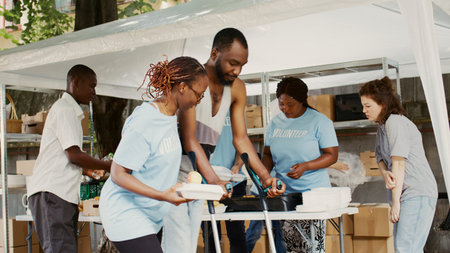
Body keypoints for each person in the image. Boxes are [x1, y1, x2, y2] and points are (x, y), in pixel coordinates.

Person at [162, 27, 285, 253]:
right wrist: (214, 180)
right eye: (233, 63)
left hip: (198, 171)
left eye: (242, 65)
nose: (237, 71)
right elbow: (189, 139)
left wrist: (266, 177)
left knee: (188, 240)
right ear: (214, 53)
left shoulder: (237, 88)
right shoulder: (192, 80)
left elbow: (241, 139)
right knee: (176, 242)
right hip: (173, 170)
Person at [99, 56, 208, 253]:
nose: (199, 101)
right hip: (126, 212)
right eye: (199, 95)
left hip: (151, 216)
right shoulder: (146, 120)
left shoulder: (169, 117)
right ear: (182, 87)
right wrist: (161, 195)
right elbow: (118, 173)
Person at [27, 64, 111, 253]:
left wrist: (89, 170)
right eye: (91, 86)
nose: (94, 92)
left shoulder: (67, 110)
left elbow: (63, 156)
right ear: (75, 82)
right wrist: (108, 165)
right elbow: (73, 155)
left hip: (56, 194)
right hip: (53, 193)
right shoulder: (65, 109)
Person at [359, 76, 437, 253]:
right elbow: (379, 157)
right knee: (406, 248)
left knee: (406, 248)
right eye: (363, 105)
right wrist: (385, 172)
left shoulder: (396, 122)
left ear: (383, 104)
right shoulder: (382, 127)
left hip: (417, 191)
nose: (364, 110)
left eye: (368, 106)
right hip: (406, 193)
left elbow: (399, 164)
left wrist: (395, 203)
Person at [263, 77, 338, 252]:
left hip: (313, 196)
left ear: (302, 100)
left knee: (311, 246)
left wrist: (306, 166)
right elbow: (267, 155)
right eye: (282, 104)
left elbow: (332, 155)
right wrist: (266, 178)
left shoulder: (320, 121)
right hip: (284, 195)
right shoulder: (274, 123)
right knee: (290, 246)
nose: (285, 109)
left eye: (290, 104)